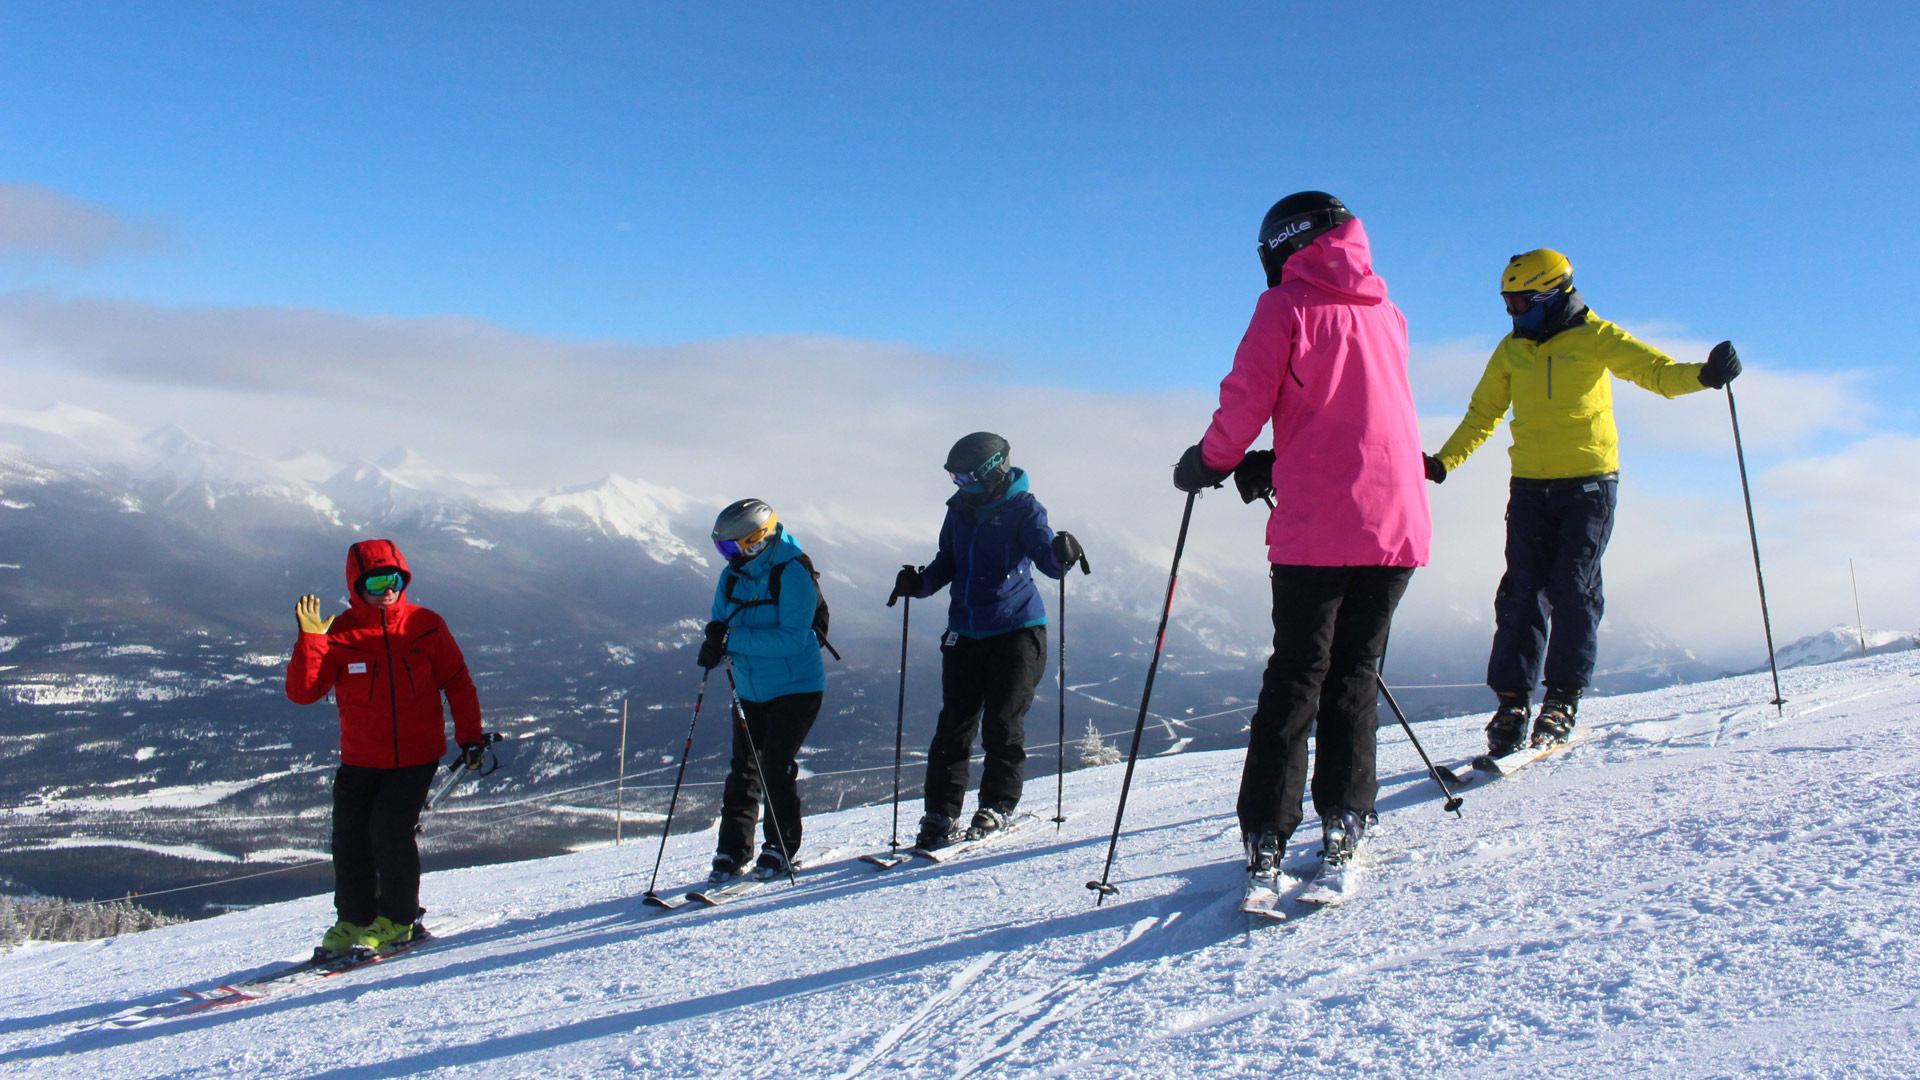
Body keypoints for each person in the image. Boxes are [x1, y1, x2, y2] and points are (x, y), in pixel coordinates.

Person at [1172, 191, 1430, 889]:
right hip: (1397, 524)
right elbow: (1354, 417)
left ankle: (1267, 833)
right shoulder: (1389, 311)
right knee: (1355, 673)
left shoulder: (1284, 306)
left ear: (1283, 245)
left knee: (1296, 676)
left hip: (1319, 528)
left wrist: (1209, 461)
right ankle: (1346, 818)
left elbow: (1247, 399)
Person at [1425, 248, 1742, 756]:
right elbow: (1482, 413)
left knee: (1573, 588)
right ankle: (1511, 703)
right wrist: (1445, 461)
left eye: (1521, 301)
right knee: (1520, 592)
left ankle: (1562, 699)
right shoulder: (1512, 350)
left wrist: (1705, 376)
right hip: (1529, 486)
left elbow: (1656, 373)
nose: (1513, 311)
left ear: (1552, 293)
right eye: (1507, 302)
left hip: (1589, 487)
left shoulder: (1596, 337)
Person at [286, 538, 487, 957]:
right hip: (360, 756)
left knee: (391, 832)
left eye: (393, 579)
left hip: (415, 756)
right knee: (349, 838)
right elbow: (304, 693)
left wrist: (469, 736)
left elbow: (457, 682)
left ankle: (399, 920)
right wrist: (311, 641)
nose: (387, 589)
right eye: (376, 583)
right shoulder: (340, 632)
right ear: (357, 586)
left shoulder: (426, 624)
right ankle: (354, 919)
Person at [888, 432, 1083, 849]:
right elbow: (948, 562)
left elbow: (1048, 563)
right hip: (966, 631)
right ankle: (939, 814)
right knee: (953, 727)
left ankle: (997, 805)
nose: (958, 485)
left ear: (991, 470)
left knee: (1002, 722)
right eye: (954, 478)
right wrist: (918, 584)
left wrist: (1061, 553)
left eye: (964, 476)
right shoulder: (959, 510)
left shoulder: (1024, 508)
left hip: (1017, 631)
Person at [697, 499, 827, 883]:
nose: (729, 556)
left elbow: (792, 639)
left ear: (756, 539)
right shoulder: (732, 575)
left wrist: (731, 639)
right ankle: (731, 851)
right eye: (723, 548)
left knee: (774, 765)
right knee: (744, 770)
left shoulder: (793, 572)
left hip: (796, 686)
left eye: (733, 547)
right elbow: (721, 620)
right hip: (751, 687)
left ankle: (780, 848)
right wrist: (715, 641)